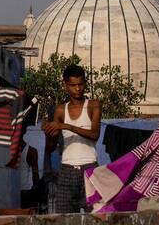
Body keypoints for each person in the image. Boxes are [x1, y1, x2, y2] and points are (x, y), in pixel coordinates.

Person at [43, 65, 101, 213]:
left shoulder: (93, 105)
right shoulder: (60, 110)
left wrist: (66, 126)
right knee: (64, 218)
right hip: (67, 169)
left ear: (85, 84)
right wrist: (49, 131)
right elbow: (51, 146)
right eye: (73, 85)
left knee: (94, 216)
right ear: (65, 85)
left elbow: (95, 134)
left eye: (80, 84)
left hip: (89, 168)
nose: (77, 89)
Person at [18, 130, 41, 212]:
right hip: (23, 191)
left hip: (23, 192)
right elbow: (35, 173)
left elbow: (35, 174)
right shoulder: (31, 150)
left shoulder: (31, 151)